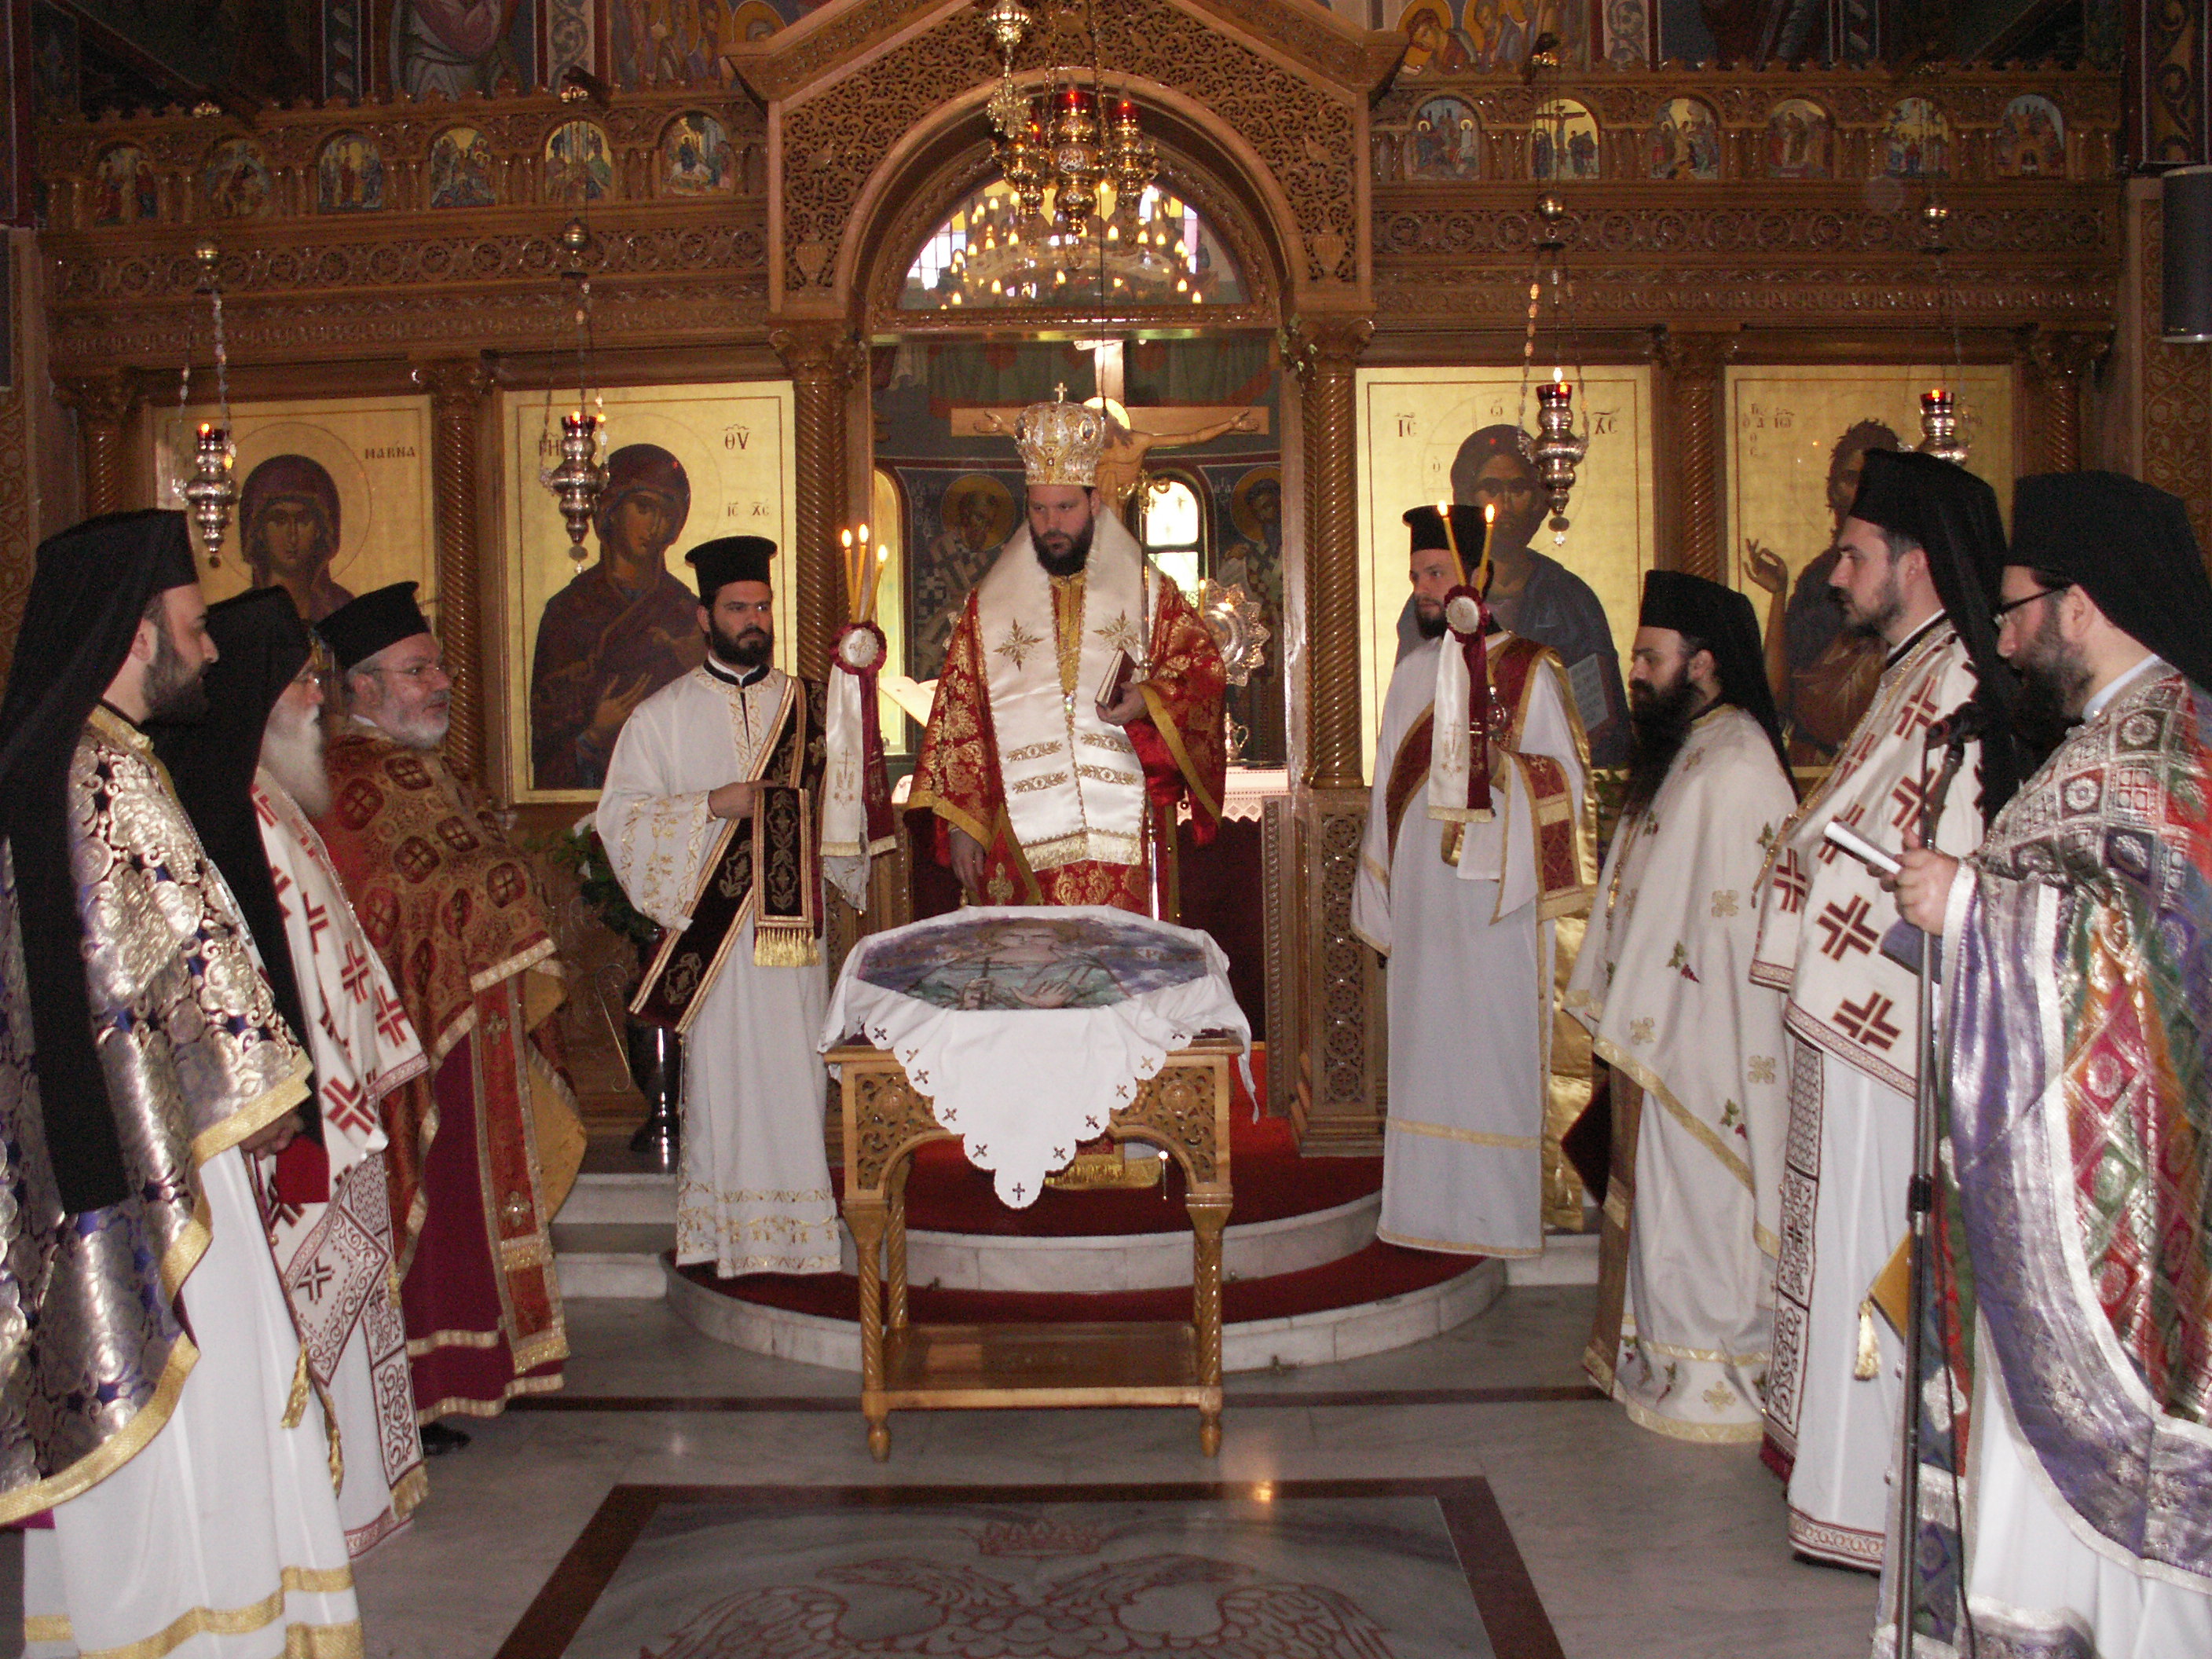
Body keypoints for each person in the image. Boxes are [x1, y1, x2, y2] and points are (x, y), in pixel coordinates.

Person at [0, 511, 361, 1656]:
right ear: (136, 630)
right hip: (169, 1153)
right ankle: (221, 1627)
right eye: (194, 627)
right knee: (216, 1387)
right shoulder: (109, 775)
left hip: (94, 1153)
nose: (209, 650)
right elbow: (191, 962)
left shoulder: (56, 759)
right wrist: (267, 1096)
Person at [1878, 471, 2212, 1656]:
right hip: (2042, 1176)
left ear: (2081, 602)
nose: (2007, 639)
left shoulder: (2168, 749)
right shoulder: (2116, 740)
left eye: (2018, 608)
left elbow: (2166, 950)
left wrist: (1974, 908)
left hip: (2126, 1217)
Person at [1748, 448, 2022, 1569]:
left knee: (1875, 1245)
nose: (1833, 576)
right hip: (1856, 1024)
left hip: (1893, 1029)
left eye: (1853, 555)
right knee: (1844, 1240)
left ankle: (1871, 1500)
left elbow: (1947, 849)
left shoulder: (1959, 683)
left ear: (1912, 563)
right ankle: (1842, 1480)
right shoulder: (1910, 672)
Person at [149, 587, 431, 1555]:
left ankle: (353, 1504)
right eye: (302, 681)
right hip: (288, 1118)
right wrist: (302, 1101)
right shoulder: (230, 809)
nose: (320, 697)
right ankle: (312, 1512)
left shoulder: (279, 798)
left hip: (330, 1098)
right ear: (256, 693)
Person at [315, 582, 584, 1450]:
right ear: (363, 686)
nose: (439, 684)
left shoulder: (433, 768)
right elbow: (386, 897)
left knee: (477, 1198)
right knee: (428, 1197)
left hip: (474, 1020)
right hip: (410, 1035)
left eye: (438, 668)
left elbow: (474, 868)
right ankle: (419, 1388)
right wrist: (498, 896)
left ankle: (485, 1363)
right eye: (417, 671)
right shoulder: (349, 777)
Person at [599, 537, 873, 1278]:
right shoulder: (661, 717)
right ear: (704, 617)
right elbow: (621, 819)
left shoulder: (808, 706)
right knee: (725, 1081)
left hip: (794, 939)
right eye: (737, 608)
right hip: (717, 942)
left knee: (795, 1077)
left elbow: (845, 804)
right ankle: (731, 1236)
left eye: (762, 607)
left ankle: (801, 1236)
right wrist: (713, 805)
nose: (754, 620)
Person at [1566, 569, 1796, 1441]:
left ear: (1702, 662)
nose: (1634, 672)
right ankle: (1663, 1360)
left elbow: (1740, 924)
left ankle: (1719, 1375)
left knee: (1704, 1201)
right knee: (1665, 1202)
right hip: (1663, 1027)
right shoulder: (1683, 752)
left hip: (1712, 1040)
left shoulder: (1736, 765)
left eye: (1649, 658)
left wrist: (1665, 1010)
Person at [1353, 504, 1592, 1258]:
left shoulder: (1532, 670)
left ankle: (1499, 1212)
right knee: (1428, 1048)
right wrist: (1382, 895)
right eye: (1417, 576)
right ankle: (1428, 1209)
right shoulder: (1410, 675)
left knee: (1492, 1050)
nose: (1423, 590)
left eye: (1436, 574)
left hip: (1497, 903)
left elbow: (1569, 791)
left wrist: (1504, 772)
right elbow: (1386, 794)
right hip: (1427, 905)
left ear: (1477, 575)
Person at [911, 391, 1226, 914]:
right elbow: (963, 716)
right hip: (1018, 832)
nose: (1052, 524)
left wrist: (1148, 698)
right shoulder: (989, 606)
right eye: (1039, 509)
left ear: (1094, 503)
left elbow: (1202, 673)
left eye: (1065, 508)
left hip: (1123, 830)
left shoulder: (1148, 594)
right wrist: (964, 824)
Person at [1396, 425, 1629, 767]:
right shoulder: (1429, 609)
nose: (1505, 503)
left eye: (1518, 488)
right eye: (1491, 488)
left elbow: (1601, 722)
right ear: (1468, 495)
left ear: (1538, 498)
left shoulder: (1571, 598)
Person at [529, 442, 705, 790]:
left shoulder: (686, 612)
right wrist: (595, 734)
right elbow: (546, 741)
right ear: (611, 510)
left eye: (667, 514)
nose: (655, 525)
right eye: (644, 508)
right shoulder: (569, 611)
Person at [1742, 420, 1899, 765]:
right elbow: (1777, 693)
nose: (1859, 492)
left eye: (1870, 479)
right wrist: (1779, 595)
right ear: (1833, 489)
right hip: (1816, 760)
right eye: (1850, 479)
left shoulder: (1909, 576)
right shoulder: (1817, 579)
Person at [241, 452, 357, 622]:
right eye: (279, 520)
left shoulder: (342, 608)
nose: (292, 535)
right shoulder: (243, 613)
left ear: (320, 530)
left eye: (303, 520)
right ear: (258, 530)